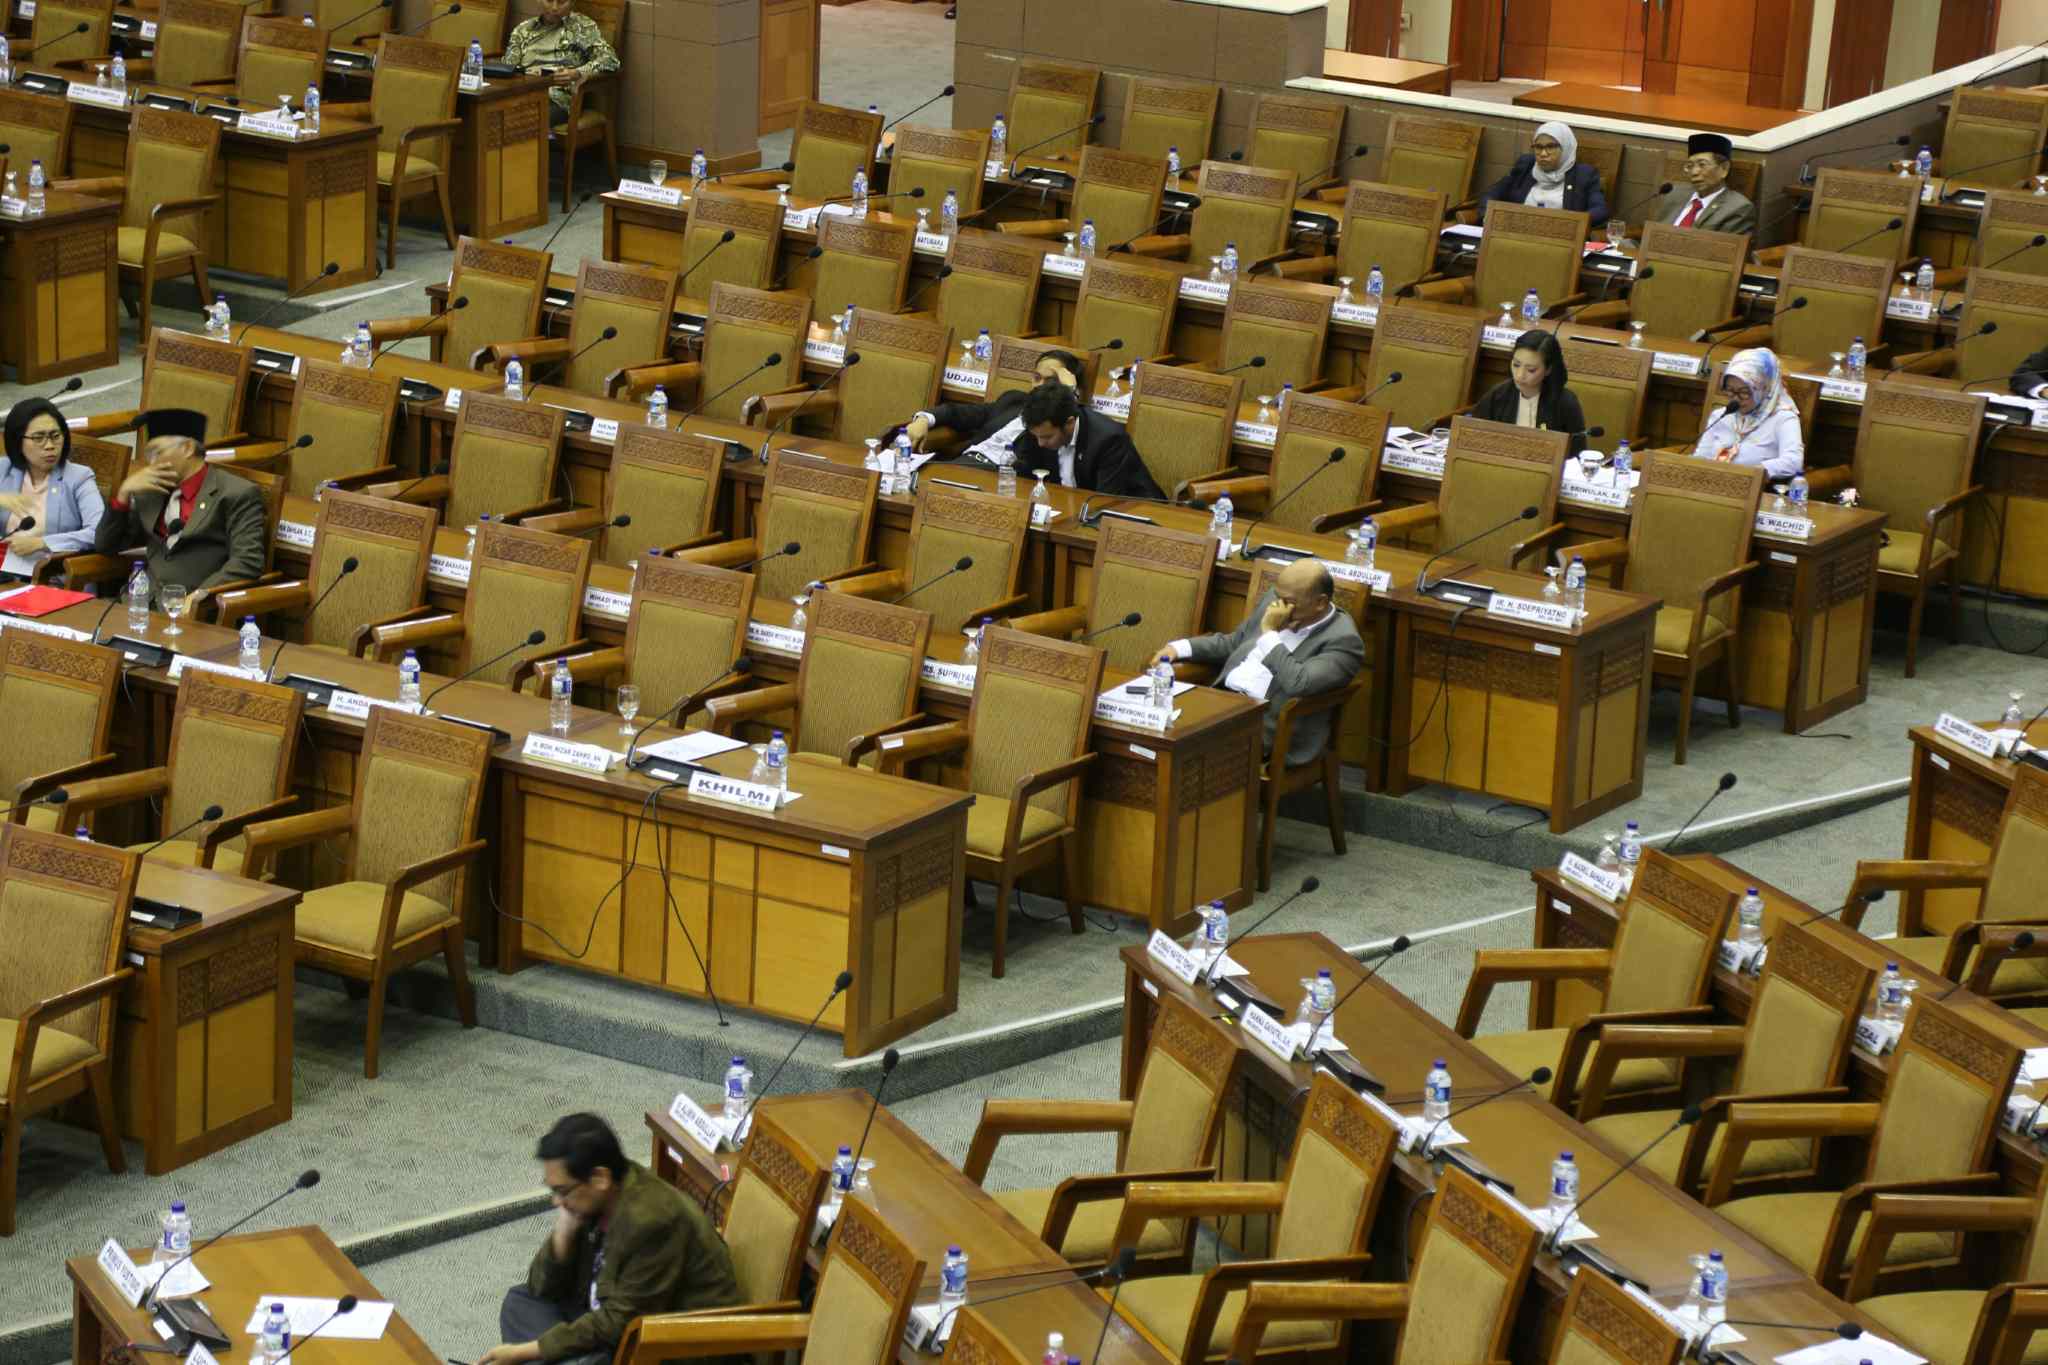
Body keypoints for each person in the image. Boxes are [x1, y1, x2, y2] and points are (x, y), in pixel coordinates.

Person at [484, 1113, 742, 1365]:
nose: (556, 1201)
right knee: (520, 1302)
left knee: (560, 1356)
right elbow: (541, 1289)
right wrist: (563, 1236)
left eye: (562, 1191)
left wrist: (528, 1351)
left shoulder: (652, 1221)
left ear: (600, 1178)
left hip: (668, 1346)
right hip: (605, 1314)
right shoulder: (601, 1196)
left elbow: (619, 1323)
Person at [1153, 559, 1364, 766]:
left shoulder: (1343, 640)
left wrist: (1269, 633)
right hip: (1223, 702)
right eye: (1277, 596)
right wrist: (1179, 648)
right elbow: (1235, 642)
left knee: (1176, 748)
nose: (1278, 606)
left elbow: (1299, 683)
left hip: (1265, 726)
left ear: (1320, 603)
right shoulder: (1278, 600)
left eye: (1289, 602)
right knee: (1151, 728)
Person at [94, 408, 267, 616]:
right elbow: (106, 545)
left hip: (194, 613)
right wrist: (123, 494)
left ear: (187, 448)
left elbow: (247, 561)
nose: (151, 463)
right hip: (138, 605)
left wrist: (200, 596)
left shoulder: (235, 493)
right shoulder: (152, 489)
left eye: (157, 453)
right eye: (149, 455)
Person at [908, 367, 1166, 500]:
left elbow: (1103, 502)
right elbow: (1025, 475)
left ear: (1069, 423)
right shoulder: (1038, 430)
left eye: (1047, 437)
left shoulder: (1108, 439)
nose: (1040, 443)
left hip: (1135, 511)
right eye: (1037, 436)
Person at [0, 397, 105, 574]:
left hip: (53, 576)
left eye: (55, 436)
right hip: (6, 573)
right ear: (18, 441)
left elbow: (99, 533)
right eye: (38, 438)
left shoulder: (79, 477)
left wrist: (42, 543)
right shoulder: (4, 469)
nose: (49, 446)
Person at [1690, 348, 1805, 479]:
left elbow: (1793, 462)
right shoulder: (1720, 416)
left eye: (1744, 392)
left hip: (1752, 486)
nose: (1735, 399)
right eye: (1730, 390)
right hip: (1711, 482)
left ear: (1765, 388)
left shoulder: (1783, 418)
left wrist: (1754, 473)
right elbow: (1701, 457)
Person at [1469, 330, 1589, 454]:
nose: (1520, 375)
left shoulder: (1565, 403)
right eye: (1516, 365)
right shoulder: (1498, 395)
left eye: (1531, 370)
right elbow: (1473, 438)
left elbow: (1577, 452)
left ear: (1548, 370)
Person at [503, 0, 620, 127]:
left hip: (557, 99)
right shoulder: (523, 29)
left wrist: (577, 73)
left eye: (561, 2)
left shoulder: (581, 26)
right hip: (523, 95)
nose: (554, 8)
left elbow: (610, 59)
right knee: (495, 116)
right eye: (549, 1)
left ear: (572, 2)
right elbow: (508, 67)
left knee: (521, 122)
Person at [1475, 122, 1608, 225]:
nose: (1543, 154)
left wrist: (1570, 224)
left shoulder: (1584, 175)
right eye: (1538, 147)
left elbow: (1600, 210)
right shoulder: (1525, 166)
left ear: (1566, 148)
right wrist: (1489, 217)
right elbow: (1490, 195)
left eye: (1551, 147)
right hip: (1517, 234)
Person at [1651, 133, 1756, 236]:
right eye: (1690, 166)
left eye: (1702, 165)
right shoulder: (1674, 194)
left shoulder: (1738, 208)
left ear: (1724, 169)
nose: (1694, 172)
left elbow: (1723, 247)